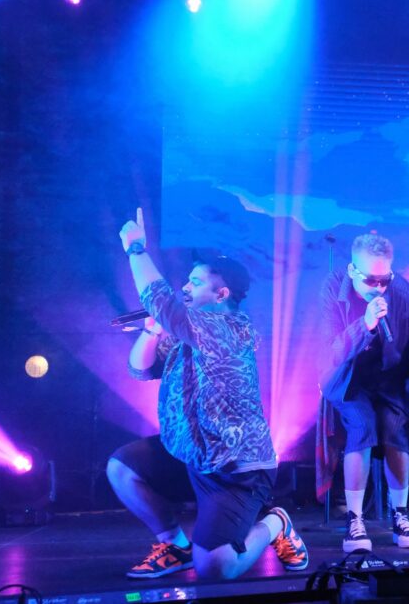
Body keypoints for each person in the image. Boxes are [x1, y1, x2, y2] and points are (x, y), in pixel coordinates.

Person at [107, 208, 308, 579]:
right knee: (122, 468)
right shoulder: (190, 334)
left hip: (236, 469)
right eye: (188, 280)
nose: (185, 287)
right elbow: (140, 369)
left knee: (216, 568)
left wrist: (136, 249)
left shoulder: (229, 327)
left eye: (196, 282)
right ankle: (174, 545)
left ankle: (276, 523)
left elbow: (160, 299)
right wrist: (152, 331)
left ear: (221, 294)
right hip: (194, 455)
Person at [318, 233, 409, 552]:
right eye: (371, 280)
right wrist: (365, 324)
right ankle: (355, 520)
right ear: (352, 270)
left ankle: (401, 515)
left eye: (385, 280)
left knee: (394, 429)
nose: (379, 288)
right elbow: (330, 352)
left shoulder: (403, 295)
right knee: (362, 424)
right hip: (347, 376)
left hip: (389, 376)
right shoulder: (333, 288)